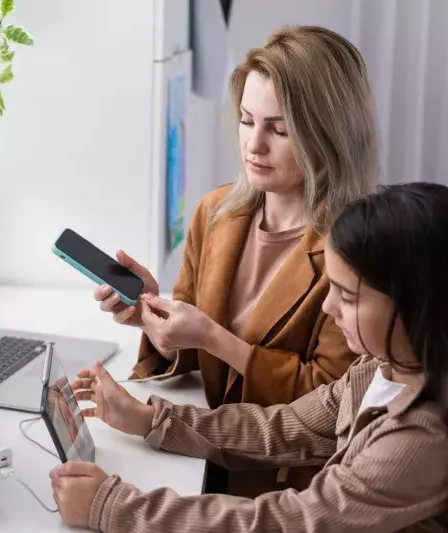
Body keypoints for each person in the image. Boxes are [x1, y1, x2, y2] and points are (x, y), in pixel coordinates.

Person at [54, 183, 448, 532]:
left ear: (415, 304)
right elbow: (286, 427)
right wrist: (153, 420)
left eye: (347, 296)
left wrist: (112, 506)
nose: (329, 308)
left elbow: (283, 523)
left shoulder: (419, 439)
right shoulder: (381, 365)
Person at [95, 25, 378, 495]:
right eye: (247, 121)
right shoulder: (215, 213)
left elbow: (331, 397)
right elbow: (190, 352)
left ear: (330, 134)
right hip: (201, 445)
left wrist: (213, 336)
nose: (254, 144)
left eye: (279, 129)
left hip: (282, 484)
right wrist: (152, 316)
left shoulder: (357, 251)